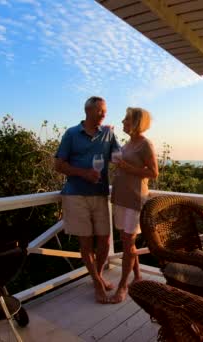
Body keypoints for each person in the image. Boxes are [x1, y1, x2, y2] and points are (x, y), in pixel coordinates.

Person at [54, 96, 120, 304]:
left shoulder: (108, 133)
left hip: (100, 194)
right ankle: (98, 283)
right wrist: (83, 173)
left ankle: (97, 275)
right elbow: (58, 164)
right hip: (76, 194)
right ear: (88, 111)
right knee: (85, 242)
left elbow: (119, 157)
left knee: (105, 241)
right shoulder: (72, 134)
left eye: (105, 111)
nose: (104, 114)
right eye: (100, 110)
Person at [110, 107, 158, 303]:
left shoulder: (145, 144)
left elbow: (154, 172)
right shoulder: (128, 143)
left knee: (128, 242)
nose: (122, 121)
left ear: (136, 122)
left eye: (126, 119)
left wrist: (128, 168)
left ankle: (123, 285)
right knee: (126, 241)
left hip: (135, 198)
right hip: (121, 196)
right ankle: (137, 276)